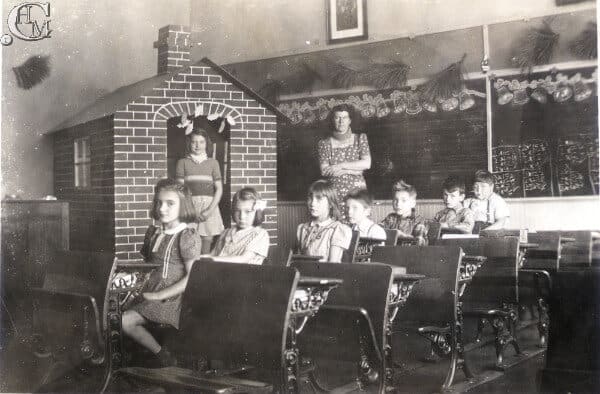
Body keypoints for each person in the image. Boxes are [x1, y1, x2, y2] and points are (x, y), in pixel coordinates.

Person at [121, 179, 201, 366]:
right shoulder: (154, 233)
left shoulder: (186, 236)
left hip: (171, 300)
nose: (162, 208)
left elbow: (192, 277)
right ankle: (132, 361)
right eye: (159, 202)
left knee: (125, 321)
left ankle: (162, 356)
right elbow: (146, 265)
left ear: (183, 206)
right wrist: (129, 277)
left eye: (170, 203)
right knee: (111, 312)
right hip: (149, 291)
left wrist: (159, 295)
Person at [176, 129, 224, 253]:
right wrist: (191, 210)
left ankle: (204, 270)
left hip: (209, 207)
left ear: (206, 144)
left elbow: (219, 189)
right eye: (194, 142)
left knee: (206, 244)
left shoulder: (213, 163)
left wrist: (209, 210)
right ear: (189, 144)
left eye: (201, 142)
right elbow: (180, 190)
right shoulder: (183, 163)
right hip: (189, 207)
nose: (197, 145)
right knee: (189, 244)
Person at [317, 104, 371, 212]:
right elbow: (324, 171)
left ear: (350, 120)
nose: (341, 121)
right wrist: (356, 170)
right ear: (333, 120)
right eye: (337, 118)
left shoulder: (360, 138)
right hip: (334, 193)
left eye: (345, 118)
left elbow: (366, 164)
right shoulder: (324, 143)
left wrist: (339, 166)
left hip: (357, 192)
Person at [201, 187, 270, 265]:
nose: (242, 216)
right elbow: (212, 255)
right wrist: (199, 258)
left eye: (248, 212)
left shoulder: (260, 234)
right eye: (238, 211)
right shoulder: (226, 232)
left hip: (244, 275)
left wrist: (213, 259)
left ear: (257, 212)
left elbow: (244, 259)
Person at [296, 180, 352, 262]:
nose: (313, 203)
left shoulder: (337, 229)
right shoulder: (302, 228)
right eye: (311, 198)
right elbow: (297, 261)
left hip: (326, 273)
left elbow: (333, 265)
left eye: (319, 199)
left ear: (330, 204)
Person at [380, 180, 429, 245]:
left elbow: (419, 245)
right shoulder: (391, 218)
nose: (398, 204)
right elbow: (378, 230)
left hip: (410, 254)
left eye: (403, 200)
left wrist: (402, 236)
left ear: (413, 203)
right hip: (391, 253)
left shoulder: (419, 221)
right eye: (395, 199)